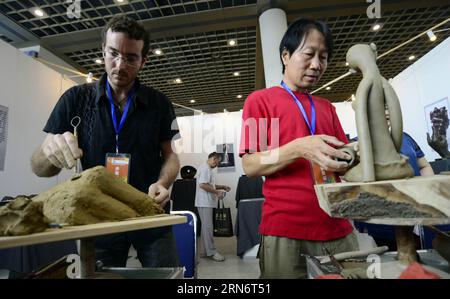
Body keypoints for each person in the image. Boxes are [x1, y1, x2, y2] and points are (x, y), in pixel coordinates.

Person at [30, 16, 180, 268]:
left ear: (144, 61)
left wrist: (163, 183)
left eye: (131, 58)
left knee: (167, 275)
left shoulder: (159, 103)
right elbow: (39, 168)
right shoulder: (75, 99)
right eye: (113, 53)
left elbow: (171, 156)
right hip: (97, 216)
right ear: (103, 50)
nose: (119, 65)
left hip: (148, 210)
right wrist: (49, 152)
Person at [239, 18, 358, 278]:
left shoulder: (326, 107)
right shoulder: (260, 101)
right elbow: (251, 164)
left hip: (338, 226)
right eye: (309, 54)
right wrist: (298, 148)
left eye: (324, 57)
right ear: (285, 55)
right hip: (285, 230)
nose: (317, 65)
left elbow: (346, 162)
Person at [195, 152, 231, 262]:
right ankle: (212, 252)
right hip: (204, 202)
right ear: (213, 158)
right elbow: (202, 185)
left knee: (205, 228)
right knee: (208, 228)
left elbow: (209, 184)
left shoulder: (207, 169)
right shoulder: (205, 168)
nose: (217, 164)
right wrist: (217, 192)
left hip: (205, 202)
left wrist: (222, 187)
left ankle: (205, 251)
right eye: (217, 161)